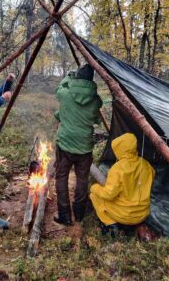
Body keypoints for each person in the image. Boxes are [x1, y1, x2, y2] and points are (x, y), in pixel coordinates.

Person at [54, 64, 102, 225]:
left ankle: (65, 215)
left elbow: (58, 88)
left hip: (65, 144)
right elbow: (98, 106)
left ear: (76, 77)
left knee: (61, 178)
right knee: (82, 179)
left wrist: (69, 75)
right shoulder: (95, 101)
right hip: (85, 147)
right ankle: (79, 214)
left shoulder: (65, 94)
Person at [90, 133, 155, 231]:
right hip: (143, 214)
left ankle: (111, 225)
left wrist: (94, 187)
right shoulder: (146, 165)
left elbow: (109, 194)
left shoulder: (117, 168)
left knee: (94, 195)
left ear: (119, 149)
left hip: (125, 215)